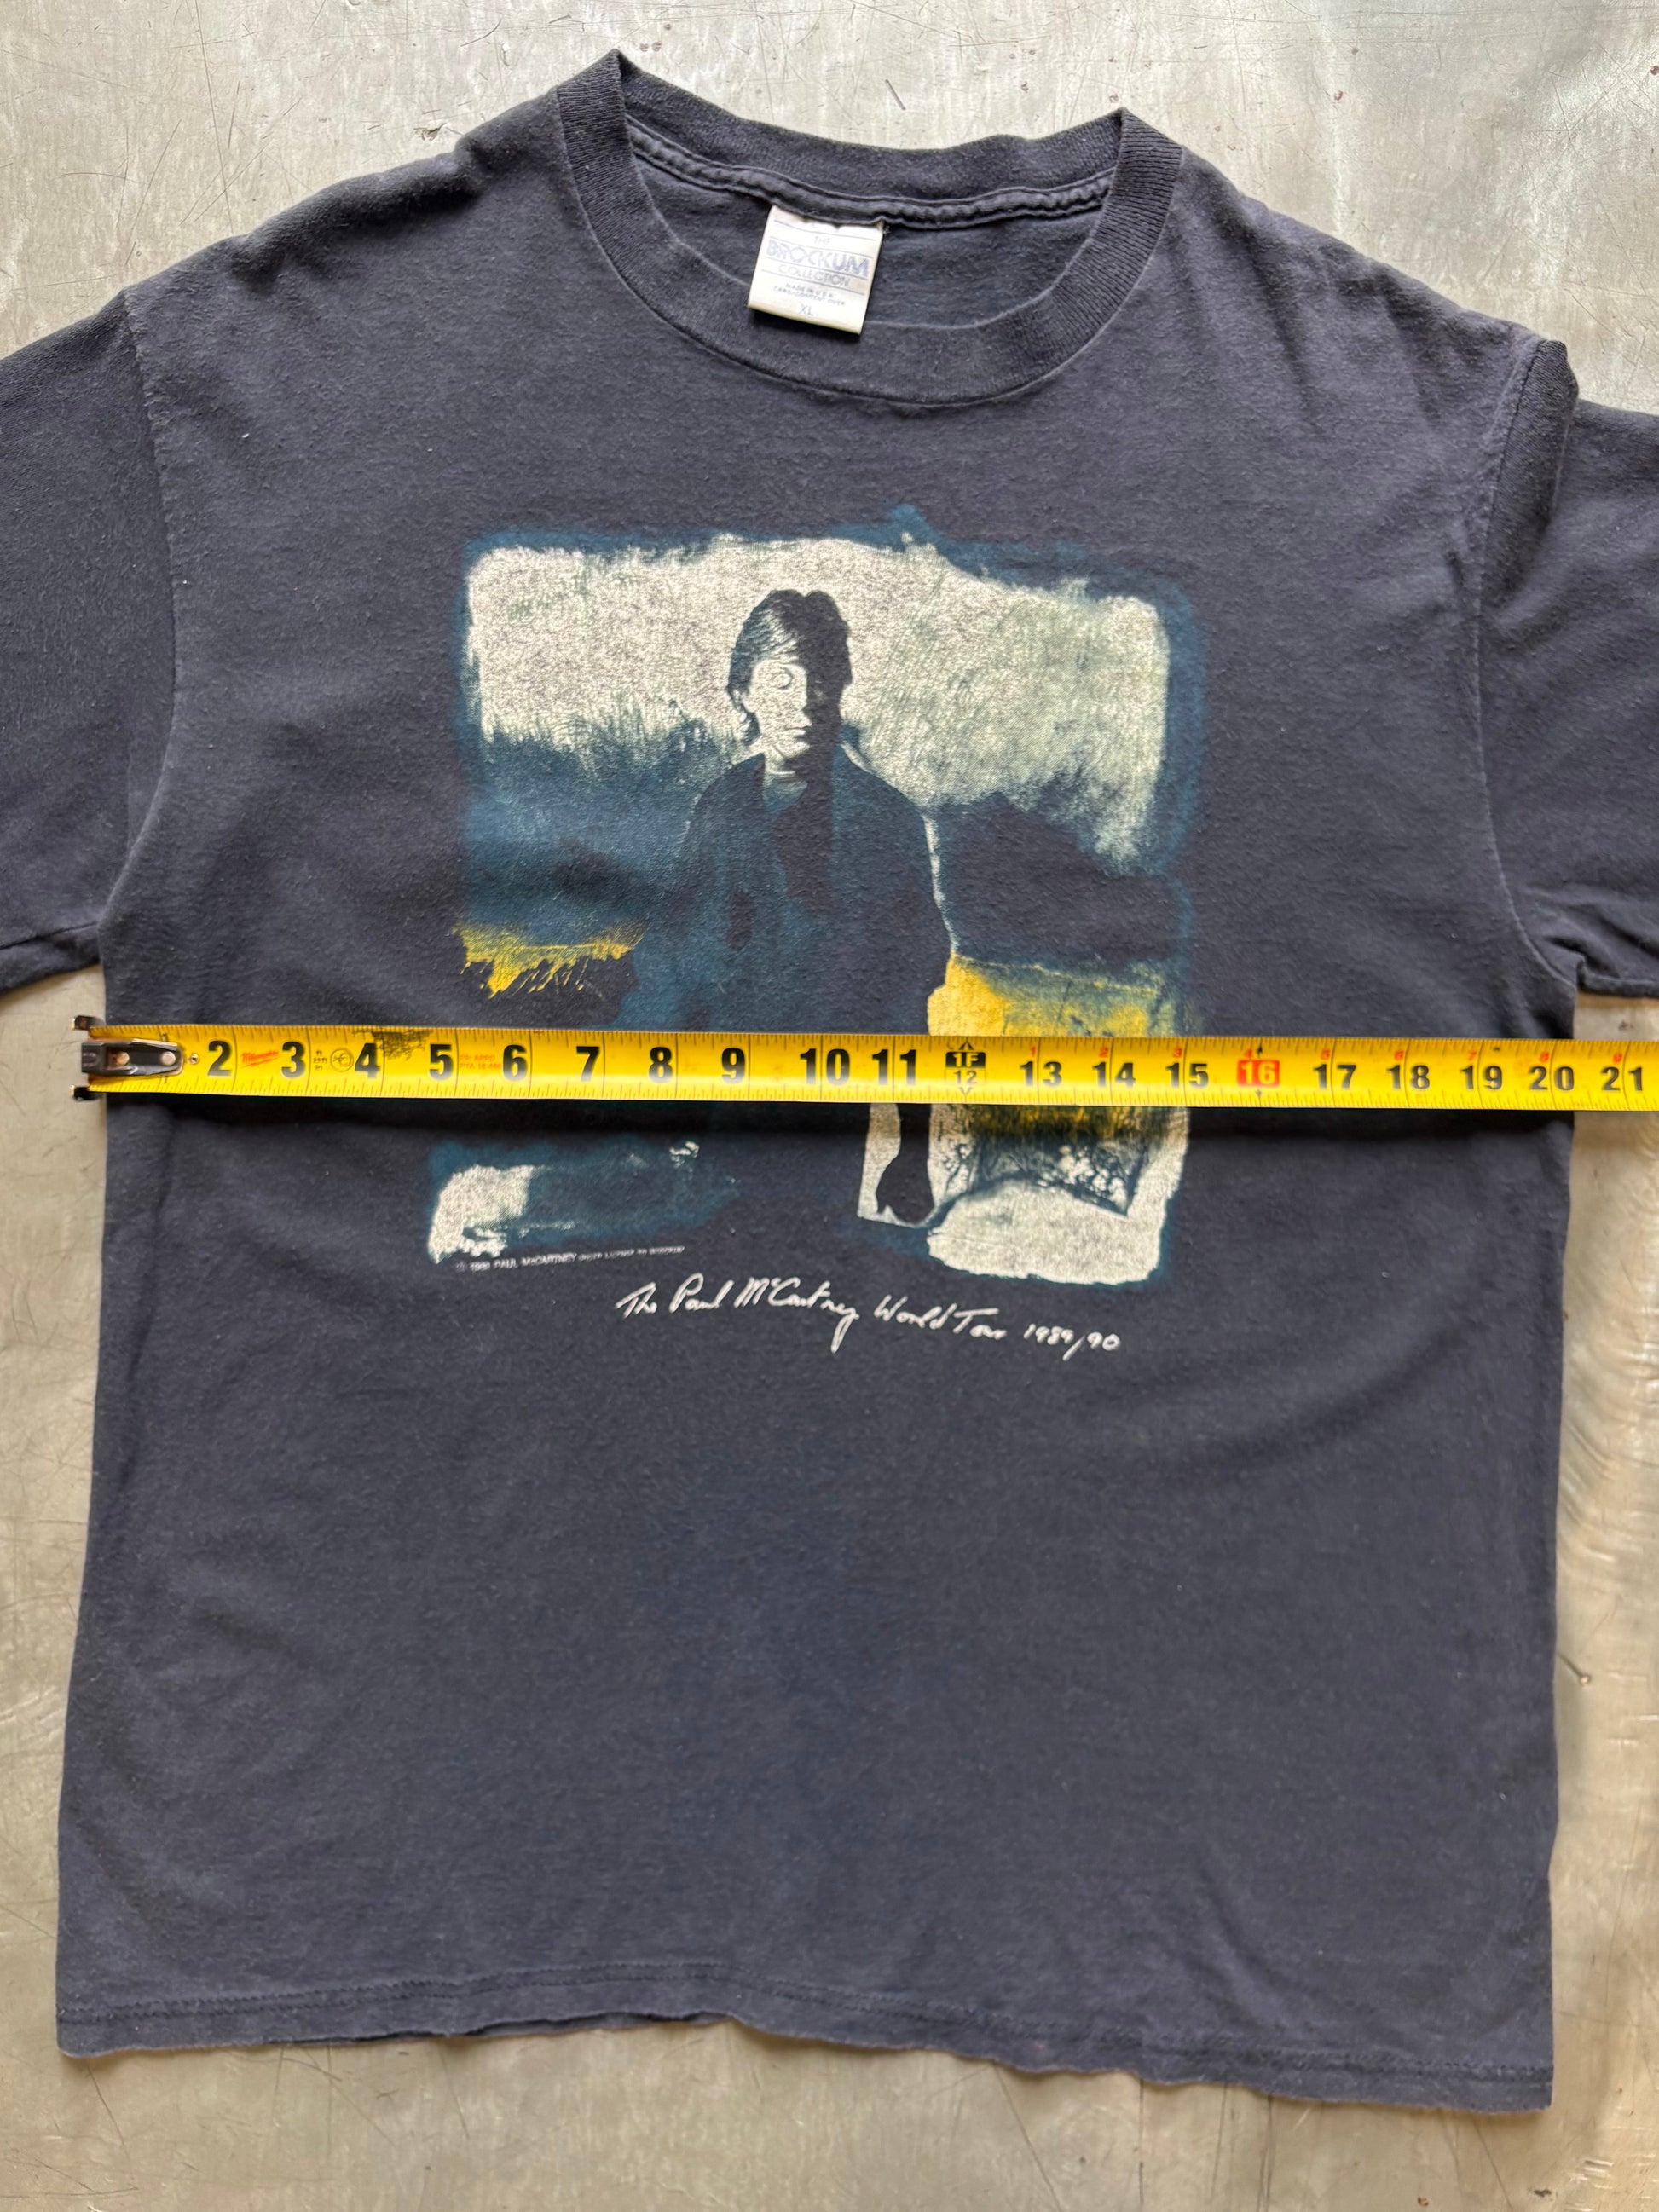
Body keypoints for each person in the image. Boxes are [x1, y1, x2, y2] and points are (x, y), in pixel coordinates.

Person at [622, 587, 949, 1222]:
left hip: (825, 1118)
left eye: (820, 678)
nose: (803, 701)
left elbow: (907, 997)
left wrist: (913, 1148)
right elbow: (670, 959)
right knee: (709, 1252)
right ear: (742, 693)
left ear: (840, 688)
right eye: (780, 680)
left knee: (807, 1257)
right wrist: (654, 1101)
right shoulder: (721, 807)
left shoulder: (886, 823)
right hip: (718, 1107)